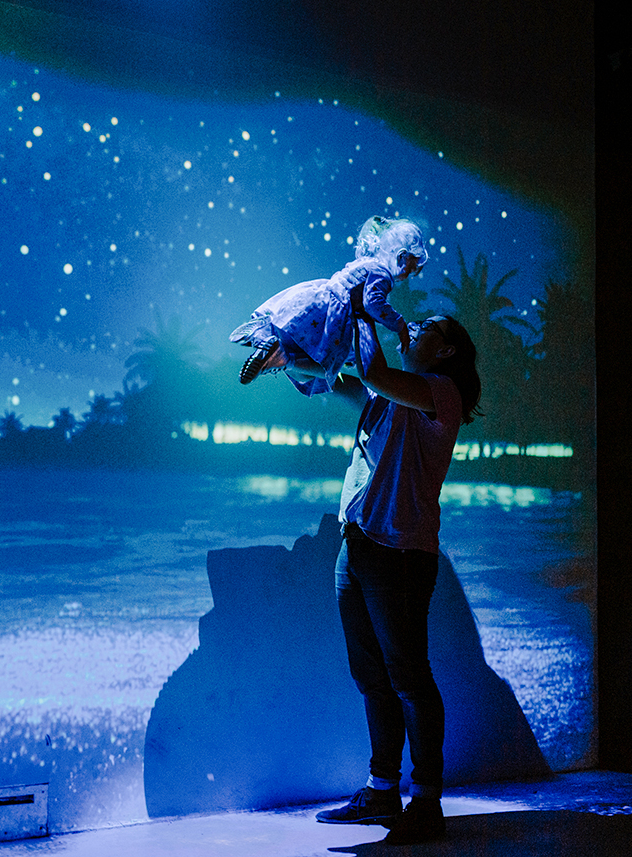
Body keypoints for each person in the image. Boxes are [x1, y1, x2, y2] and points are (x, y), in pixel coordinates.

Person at [306, 314, 481, 846]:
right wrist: (286, 354)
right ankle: (382, 790)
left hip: (400, 554)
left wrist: (364, 310)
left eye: (428, 327)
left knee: (409, 678)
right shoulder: (385, 397)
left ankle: (426, 802)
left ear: (446, 352)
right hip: (358, 546)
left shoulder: (441, 391)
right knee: (372, 677)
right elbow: (334, 378)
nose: (415, 326)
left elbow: (373, 372)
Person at [229, 217, 426, 395]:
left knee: (301, 360)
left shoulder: (365, 263)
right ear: (401, 256)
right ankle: (282, 357)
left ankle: (262, 335)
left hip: (319, 299)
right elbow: (373, 302)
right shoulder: (383, 275)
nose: (407, 276)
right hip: (338, 316)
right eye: (411, 269)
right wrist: (399, 325)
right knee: (327, 368)